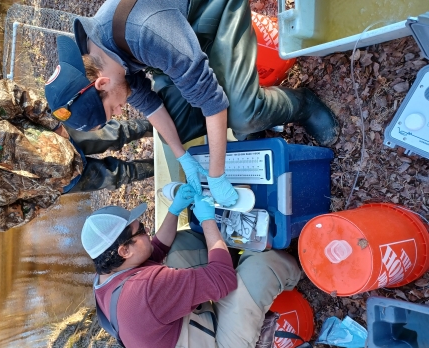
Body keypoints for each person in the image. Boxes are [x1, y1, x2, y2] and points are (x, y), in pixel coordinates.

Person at [44, 0, 340, 208]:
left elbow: (211, 101)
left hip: (213, 9)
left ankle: (304, 104)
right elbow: (149, 103)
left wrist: (217, 175)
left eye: (112, 110)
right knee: (176, 128)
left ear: (102, 85)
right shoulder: (101, 59)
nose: (120, 112)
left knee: (243, 115)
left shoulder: (144, 33)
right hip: (178, 37)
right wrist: (181, 154)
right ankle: (237, 95)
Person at [81, 183, 301, 348]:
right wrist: (208, 221)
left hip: (180, 327)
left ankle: (227, 260)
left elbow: (155, 250)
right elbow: (223, 279)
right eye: (142, 231)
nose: (148, 233)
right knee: (262, 265)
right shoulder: (145, 290)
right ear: (124, 250)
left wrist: (174, 210)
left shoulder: (107, 275)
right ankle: (296, 274)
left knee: (182, 241)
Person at [0, 80, 153, 231]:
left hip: (61, 136)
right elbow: (9, 218)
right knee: (121, 174)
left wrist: (54, 124)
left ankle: (169, 128)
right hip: (63, 184)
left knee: (119, 133)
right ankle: (169, 167)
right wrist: (49, 196)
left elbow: (16, 96)